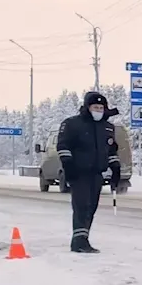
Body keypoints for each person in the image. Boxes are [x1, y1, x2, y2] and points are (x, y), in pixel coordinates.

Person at [55, 91, 122, 253]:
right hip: (79, 172)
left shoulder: (107, 127)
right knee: (81, 206)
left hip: (97, 173)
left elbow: (111, 150)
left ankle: (83, 238)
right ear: (87, 107)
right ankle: (78, 241)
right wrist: (68, 166)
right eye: (95, 107)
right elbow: (63, 146)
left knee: (91, 206)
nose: (98, 110)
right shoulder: (73, 124)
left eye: (101, 107)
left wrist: (115, 168)